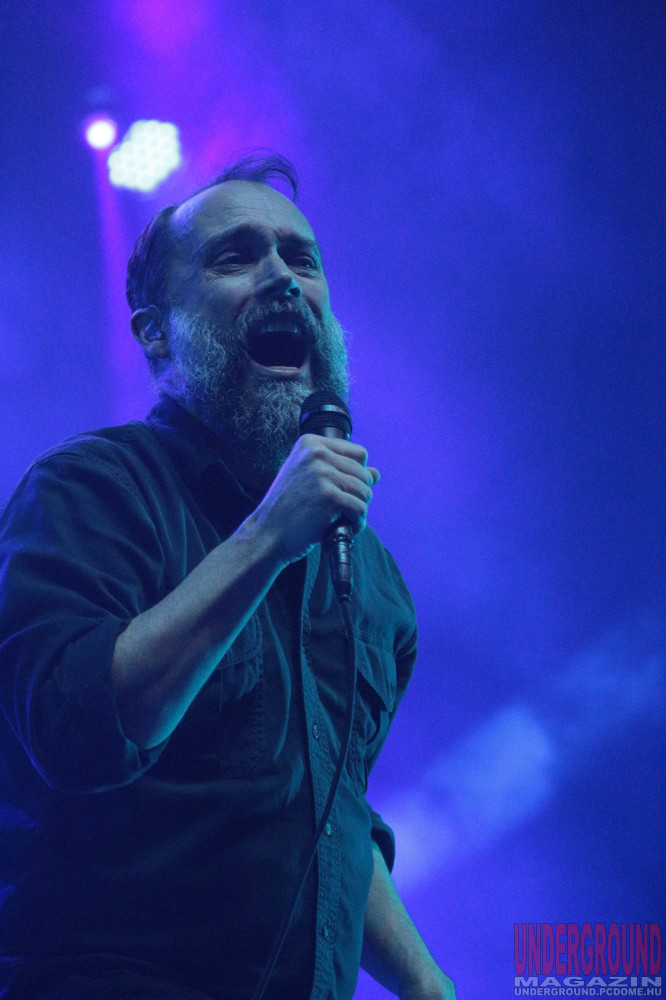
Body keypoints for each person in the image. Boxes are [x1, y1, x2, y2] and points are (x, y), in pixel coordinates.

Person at [0, 153, 456, 1000]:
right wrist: (268, 537)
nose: (282, 277)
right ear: (156, 332)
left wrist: (429, 987)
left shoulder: (371, 581)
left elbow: (327, 821)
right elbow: (77, 732)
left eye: (301, 257)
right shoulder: (92, 490)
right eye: (237, 257)